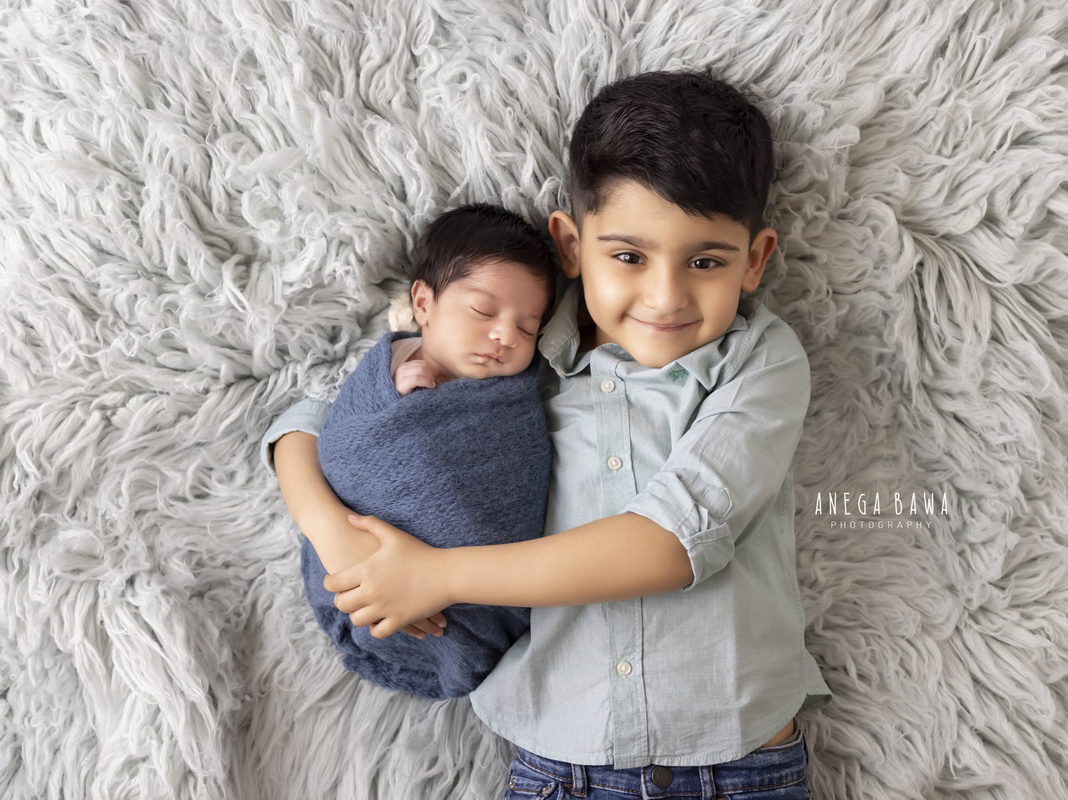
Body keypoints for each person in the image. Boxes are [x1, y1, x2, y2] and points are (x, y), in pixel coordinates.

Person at [264, 68, 833, 798]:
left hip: (738, 757)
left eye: (706, 261)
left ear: (754, 260)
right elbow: (305, 422)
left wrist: (437, 576)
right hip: (558, 762)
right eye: (628, 256)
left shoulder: (759, 360)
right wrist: (336, 538)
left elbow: (675, 539)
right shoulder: (513, 354)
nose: (665, 296)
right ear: (571, 243)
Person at [267, 202, 557, 700]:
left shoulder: (515, 398)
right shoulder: (387, 369)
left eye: (528, 327)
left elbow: (517, 484)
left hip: (472, 609)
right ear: (423, 304)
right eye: (484, 311)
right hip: (355, 575)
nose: (506, 335)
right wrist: (399, 380)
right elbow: (340, 436)